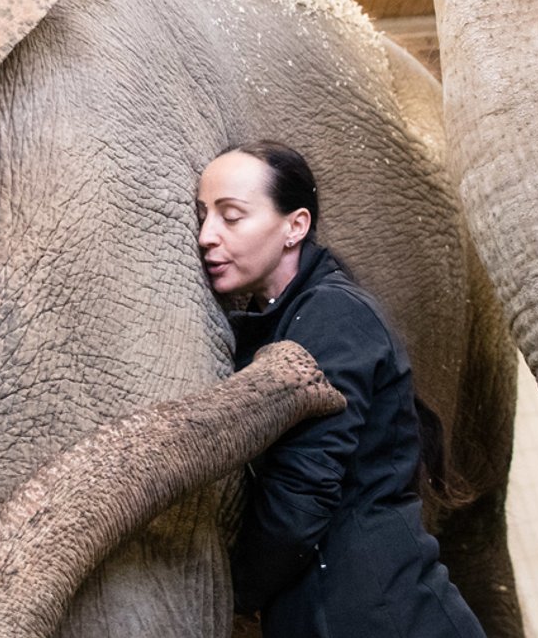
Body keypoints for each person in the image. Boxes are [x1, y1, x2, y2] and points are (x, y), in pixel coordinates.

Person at [197, 140, 485, 638]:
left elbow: (301, 498)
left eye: (232, 217)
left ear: (296, 226)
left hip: (383, 619)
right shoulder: (294, 317)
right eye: (203, 216)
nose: (207, 236)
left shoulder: (332, 316)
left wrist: (232, 598)